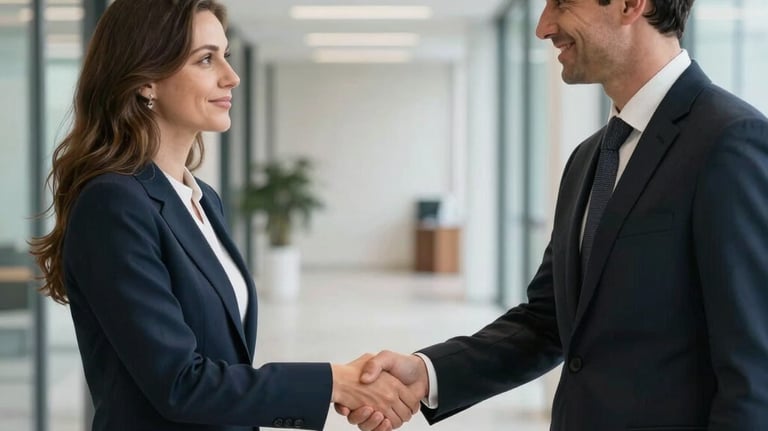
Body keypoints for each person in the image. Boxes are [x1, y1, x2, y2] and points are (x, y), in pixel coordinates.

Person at [338, 0, 768, 429]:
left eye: (562, 3)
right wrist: (427, 373)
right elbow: (548, 323)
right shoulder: (590, 158)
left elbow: (755, 370)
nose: (543, 27)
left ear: (630, 5)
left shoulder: (730, 142)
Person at [30, 1, 419, 430]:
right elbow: (180, 383)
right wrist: (334, 382)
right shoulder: (114, 204)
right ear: (146, 81)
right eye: (205, 59)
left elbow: (220, 361)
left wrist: (339, 384)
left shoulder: (202, 199)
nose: (231, 77)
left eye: (225, 56)